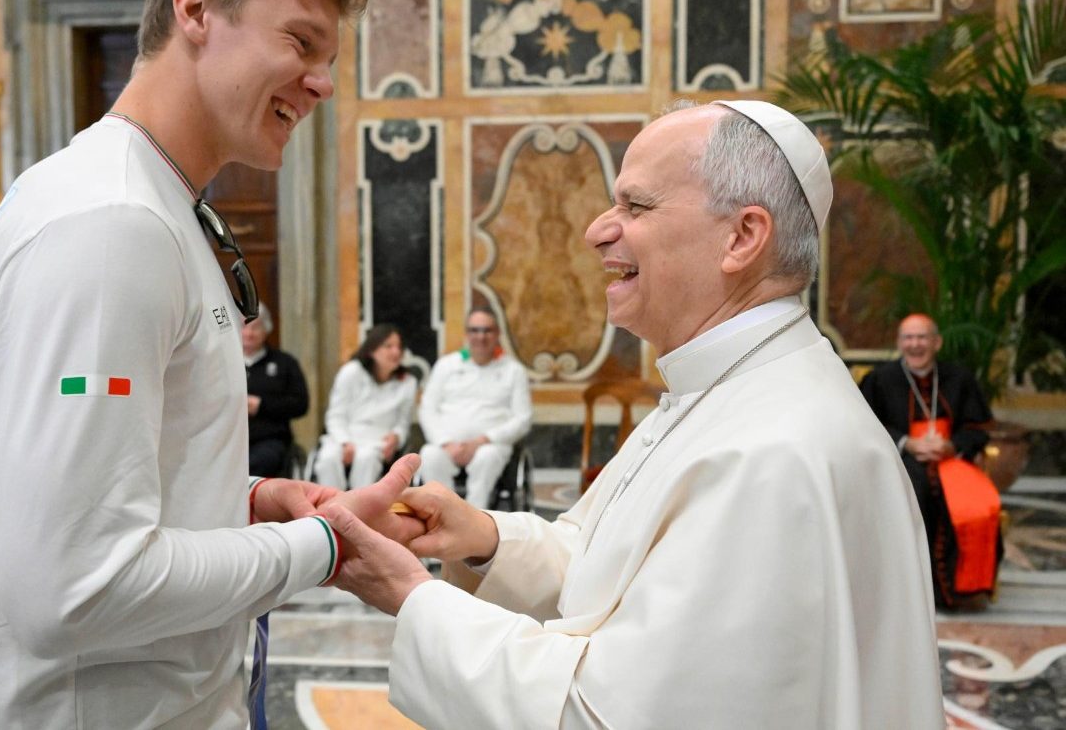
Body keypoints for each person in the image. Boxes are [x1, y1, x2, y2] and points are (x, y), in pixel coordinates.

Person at [318, 100, 944, 729]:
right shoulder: (726, 389)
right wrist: (485, 540)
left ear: (743, 237)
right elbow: (608, 569)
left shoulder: (772, 452)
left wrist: (413, 596)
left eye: (636, 206)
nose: (597, 230)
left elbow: (609, 716)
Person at [0, 0, 421, 728]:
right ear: (196, 10)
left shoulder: (154, 204)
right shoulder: (109, 224)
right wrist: (324, 545)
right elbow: (73, 588)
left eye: (329, 57)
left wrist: (248, 497)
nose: (323, 82)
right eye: (301, 41)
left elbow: (108, 488)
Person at [860, 313, 999, 608]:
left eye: (922, 337)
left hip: (953, 461)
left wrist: (951, 445)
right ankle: (906, 594)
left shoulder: (959, 378)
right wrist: (907, 442)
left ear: (936, 342)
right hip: (900, 461)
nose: (915, 344)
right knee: (914, 495)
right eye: (908, 338)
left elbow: (979, 428)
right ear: (899, 343)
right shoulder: (880, 379)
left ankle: (960, 590)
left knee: (981, 508)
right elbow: (863, 424)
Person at [417, 308, 532, 508]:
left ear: (497, 334)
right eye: (475, 330)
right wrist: (446, 443)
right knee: (429, 454)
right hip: (447, 445)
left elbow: (523, 418)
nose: (481, 336)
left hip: (491, 445)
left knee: (486, 457)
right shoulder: (446, 366)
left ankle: (474, 520)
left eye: (487, 330)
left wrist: (482, 441)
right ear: (467, 334)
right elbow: (427, 410)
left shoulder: (514, 371)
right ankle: (443, 515)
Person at [314, 323, 418, 490]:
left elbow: (402, 423)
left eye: (399, 347)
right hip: (343, 434)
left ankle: (360, 510)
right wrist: (344, 442)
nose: (396, 352)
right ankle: (329, 507)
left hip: (377, 439)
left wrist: (396, 437)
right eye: (388, 346)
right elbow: (335, 415)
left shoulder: (407, 382)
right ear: (372, 349)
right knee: (327, 459)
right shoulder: (351, 372)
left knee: (367, 459)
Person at [244, 303, 310, 478]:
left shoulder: (284, 363)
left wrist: (261, 405)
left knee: (258, 462)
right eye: (244, 326)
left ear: (266, 329)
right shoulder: (224, 363)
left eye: (255, 327)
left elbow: (300, 404)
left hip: (270, 440)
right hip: (229, 438)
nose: (249, 334)